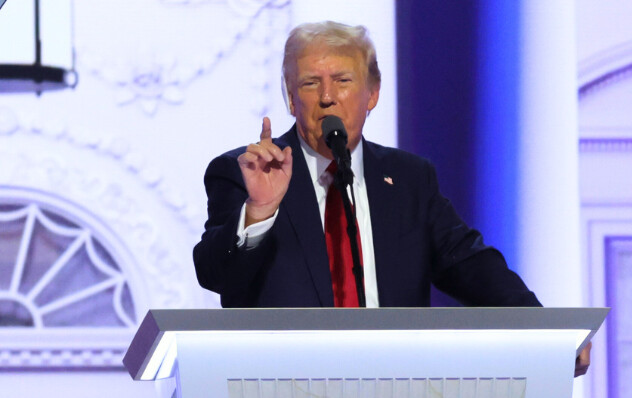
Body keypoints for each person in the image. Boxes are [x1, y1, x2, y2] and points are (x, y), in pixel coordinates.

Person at [193, 20, 590, 376]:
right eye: (310, 83)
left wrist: (546, 331)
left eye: (343, 81)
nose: (327, 97)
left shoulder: (408, 179)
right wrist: (261, 210)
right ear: (290, 98)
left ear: (372, 94)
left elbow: (472, 265)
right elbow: (215, 274)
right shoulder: (246, 173)